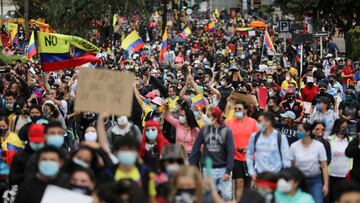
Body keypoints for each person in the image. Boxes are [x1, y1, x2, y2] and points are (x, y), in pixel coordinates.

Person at [189, 107, 235, 201]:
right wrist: (191, 167)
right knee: (209, 196)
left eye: (209, 116)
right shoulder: (204, 130)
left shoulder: (227, 131)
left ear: (216, 117)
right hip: (208, 168)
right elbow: (195, 149)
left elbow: (231, 151)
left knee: (226, 195)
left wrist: (228, 170)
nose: (206, 117)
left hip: (223, 168)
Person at [246, 112, 291, 184]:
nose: (258, 124)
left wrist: (285, 177)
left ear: (268, 122)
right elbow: (249, 155)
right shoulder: (255, 136)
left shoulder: (280, 137)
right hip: (259, 175)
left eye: (260, 121)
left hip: (276, 176)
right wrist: (252, 172)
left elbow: (286, 159)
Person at [289, 123, 329, 203]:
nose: (298, 132)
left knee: (318, 201)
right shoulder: (294, 146)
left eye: (300, 130)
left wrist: (325, 185)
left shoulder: (319, 146)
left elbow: (324, 166)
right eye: (298, 130)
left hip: (315, 180)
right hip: (299, 180)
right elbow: (292, 166)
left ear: (307, 132)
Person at [226, 101, 258, 200]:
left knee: (248, 184)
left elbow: (258, 139)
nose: (236, 111)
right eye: (235, 109)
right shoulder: (229, 124)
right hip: (235, 158)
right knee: (238, 182)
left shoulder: (253, 122)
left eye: (239, 109)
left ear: (245, 110)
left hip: (250, 158)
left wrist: (250, 148)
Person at [328, 119, 352, 203]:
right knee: (332, 199)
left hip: (346, 176)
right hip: (331, 175)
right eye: (343, 127)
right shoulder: (329, 140)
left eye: (346, 127)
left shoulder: (350, 141)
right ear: (337, 127)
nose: (345, 129)